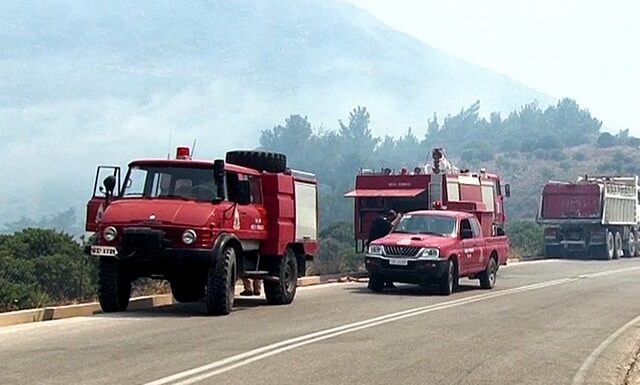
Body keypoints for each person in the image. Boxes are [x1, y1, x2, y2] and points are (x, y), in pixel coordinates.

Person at [367, 210, 401, 288]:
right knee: (377, 266)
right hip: (377, 247)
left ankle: (388, 283)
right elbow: (391, 226)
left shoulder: (379, 219)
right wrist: (398, 218)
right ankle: (373, 283)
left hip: (377, 246)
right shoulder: (382, 220)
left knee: (386, 265)